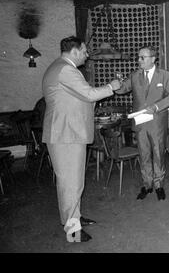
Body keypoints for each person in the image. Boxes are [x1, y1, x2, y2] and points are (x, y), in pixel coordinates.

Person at [42, 36, 122, 242]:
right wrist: (111, 86)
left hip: (65, 133)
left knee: (71, 182)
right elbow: (88, 94)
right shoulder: (66, 70)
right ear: (75, 51)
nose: (87, 55)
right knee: (71, 183)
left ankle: (73, 218)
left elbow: (77, 98)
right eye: (85, 51)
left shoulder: (59, 67)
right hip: (66, 134)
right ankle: (73, 231)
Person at [115, 46, 169, 201]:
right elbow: (122, 89)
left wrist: (156, 107)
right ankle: (147, 184)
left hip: (157, 123)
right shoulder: (134, 76)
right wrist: (116, 84)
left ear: (153, 58)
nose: (139, 60)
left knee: (158, 154)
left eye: (143, 57)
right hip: (141, 124)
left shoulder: (165, 75)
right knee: (144, 155)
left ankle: (159, 185)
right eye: (139, 57)